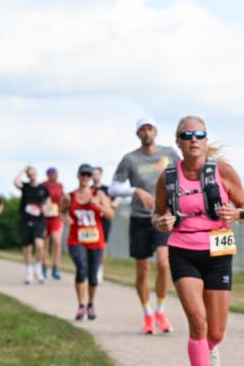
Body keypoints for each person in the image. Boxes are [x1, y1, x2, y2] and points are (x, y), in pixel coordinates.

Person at [152, 116, 244, 366]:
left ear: (206, 140)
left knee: (216, 332)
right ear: (179, 142)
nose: (193, 139)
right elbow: (157, 216)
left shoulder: (222, 171)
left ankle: (211, 347)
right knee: (198, 321)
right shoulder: (168, 178)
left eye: (199, 134)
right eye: (187, 135)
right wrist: (162, 221)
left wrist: (237, 214)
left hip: (218, 251)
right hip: (183, 250)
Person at [110, 117, 181, 334]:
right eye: (142, 129)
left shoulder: (169, 154)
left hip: (163, 217)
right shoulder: (130, 159)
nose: (147, 132)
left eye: (150, 128)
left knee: (163, 263)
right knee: (142, 270)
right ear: (137, 134)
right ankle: (147, 313)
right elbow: (113, 188)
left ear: (156, 131)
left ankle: (161, 309)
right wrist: (135, 191)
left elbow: (184, 175)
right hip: (140, 218)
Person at [62, 164, 114, 320]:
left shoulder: (99, 195)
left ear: (91, 178)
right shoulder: (69, 196)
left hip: (96, 241)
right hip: (76, 240)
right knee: (81, 268)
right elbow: (61, 211)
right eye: (82, 175)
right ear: (78, 176)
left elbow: (111, 215)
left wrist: (97, 205)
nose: (85, 178)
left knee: (92, 276)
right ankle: (80, 305)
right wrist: (66, 219)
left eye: (88, 175)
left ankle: (90, 303)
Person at [14, 166, 50, 284]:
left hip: (39, 220)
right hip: (25, 220)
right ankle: (28, 271)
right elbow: (16, 182)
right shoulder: (26, 187)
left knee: (39, 244)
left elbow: (48, 201)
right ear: (28, 175)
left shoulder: (43, 188)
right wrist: (23, 170)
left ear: (37, 173)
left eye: (33, 173)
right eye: (29, 174)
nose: (32, 175)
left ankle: (38, 267)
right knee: (27, 248)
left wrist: (46, 207)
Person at [92, 166, 119, 285]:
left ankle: (99, 270)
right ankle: (91, 269)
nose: (94, 176)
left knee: (102, 246)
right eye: (93, 174)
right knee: (90, 244)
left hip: (104, 220)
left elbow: (116, 202)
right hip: (91, 221)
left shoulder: (107, 189)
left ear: (101, 175)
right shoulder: (89, 189)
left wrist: (108, 206)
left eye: (97, 174)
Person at [41, 167, 64, 280]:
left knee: (57, 242)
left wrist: (63, 212)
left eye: (56, 173)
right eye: (52, 174)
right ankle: (43, 267)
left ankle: (55, 267)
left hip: (56, 217)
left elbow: (62, 200)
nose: (55, 176)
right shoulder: (43, 185)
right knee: (44, 244)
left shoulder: (60, 186)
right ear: (48, 175)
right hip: (44, 218)